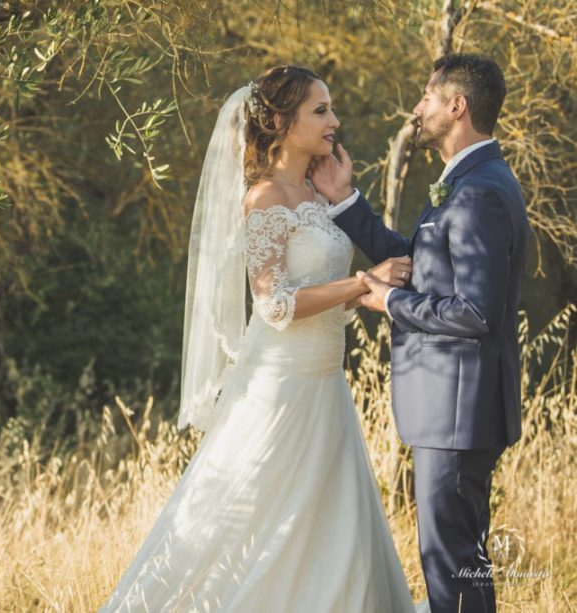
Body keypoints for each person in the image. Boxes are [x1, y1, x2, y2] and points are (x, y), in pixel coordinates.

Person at [98, 65, 423, 612]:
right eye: (320, 111)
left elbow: (319, 288)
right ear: (278, 120)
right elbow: (273, 304)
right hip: (278, 388)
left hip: (325, 386)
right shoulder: (265, 198)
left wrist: (342, 200)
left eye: (332, 108)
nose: (334, 121)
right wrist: (365, 281)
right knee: (243, 519)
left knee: (329, 523)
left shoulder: (316, 195)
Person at [311, 53, 528, 613]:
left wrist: (392, 302)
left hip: (457, 412)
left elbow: (477, 313)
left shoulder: (478, 191)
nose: (418, 108)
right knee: (458, 562)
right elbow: (421, 264)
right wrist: (344, 201)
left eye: (427, 98)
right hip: (454, 408)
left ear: (456, 107)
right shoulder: (468, 181)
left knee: (451, 565)